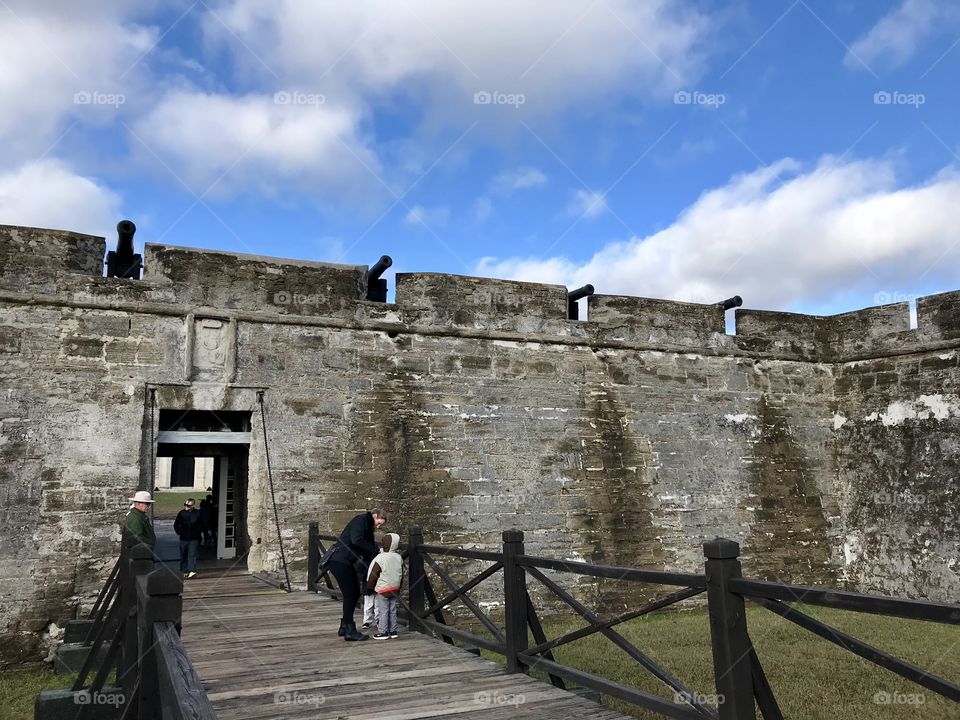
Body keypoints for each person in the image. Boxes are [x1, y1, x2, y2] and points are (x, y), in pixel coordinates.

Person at [328, 508, 386, 641]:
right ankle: (349, 629)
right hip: (340, 561)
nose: (378, 526)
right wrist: (375, 550)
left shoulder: (366, 525)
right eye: (378, 523)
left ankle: (344, 625)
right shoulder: (360, 521)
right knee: (351, 594)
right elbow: (356, 540)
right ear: (374, 515)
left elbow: (364, 543)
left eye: (380, 525)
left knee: (354, 593)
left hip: (344, 561)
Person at [366, 533, 403, 639]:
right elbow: (401, 573)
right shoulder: (398, 557)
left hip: (383, 588)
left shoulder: (380, 558)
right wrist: (399, 586)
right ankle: (393, 631)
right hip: (395, 588)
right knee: (392, 609)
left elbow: (373, 574)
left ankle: (383, 632)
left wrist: (369, 587)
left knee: (383, 610)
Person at [174, 498, 202, 578]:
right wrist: (180, 532)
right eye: (185, 504)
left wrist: (198, 532)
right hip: (183, 538)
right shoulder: (181, 513)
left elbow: (201, 524)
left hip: (194, 538)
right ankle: (184, 571)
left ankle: (192, 571)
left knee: (192, 555)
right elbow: (176, 524)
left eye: (188, 505)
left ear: (193, 505)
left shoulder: (197, 513)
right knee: (183, 554)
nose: (186, 506)